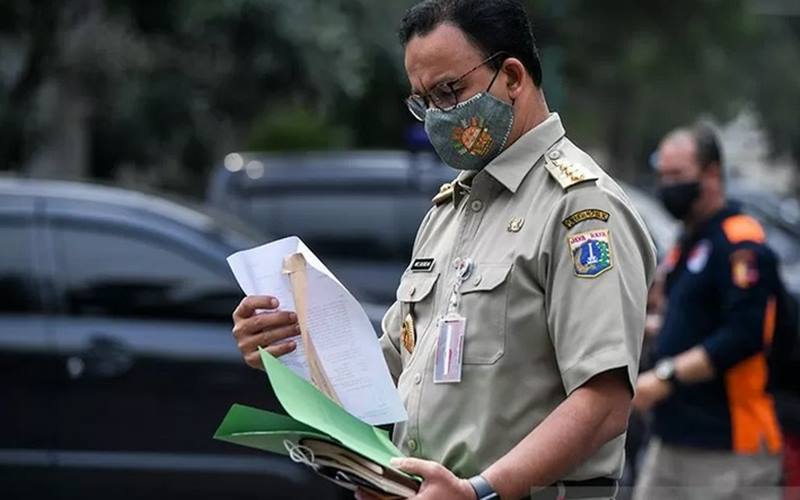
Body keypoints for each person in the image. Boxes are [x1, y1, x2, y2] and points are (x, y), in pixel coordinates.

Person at [232, 1, 656, 498]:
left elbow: (604, 402)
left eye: (449, 92)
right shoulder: (450, 210)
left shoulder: (581, 207)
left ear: (513, 77)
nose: (437, 115)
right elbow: (387, 375)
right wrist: (286, 352)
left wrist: (479, 491)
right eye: (423, 101)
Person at [632, 124, 784, 500]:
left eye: (678, 176)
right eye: (663, 176)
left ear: (712, 173)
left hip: (727, 445)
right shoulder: (687, 243)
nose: (667, 186)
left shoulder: (739, 243)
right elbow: (686, 325)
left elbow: (745, 335)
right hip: (672, 437)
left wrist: (664, 376)